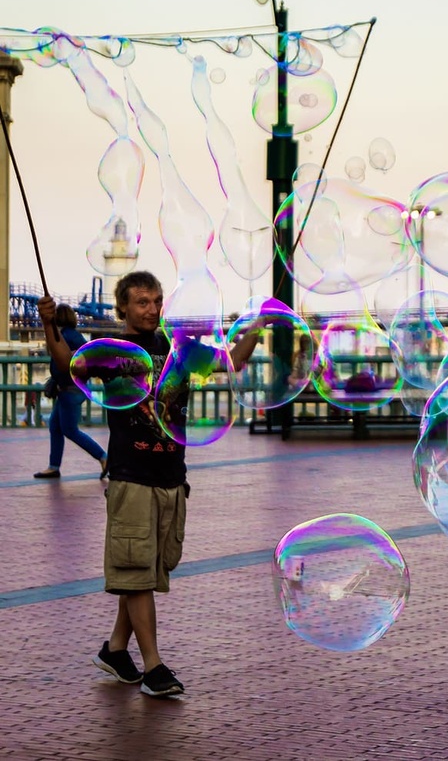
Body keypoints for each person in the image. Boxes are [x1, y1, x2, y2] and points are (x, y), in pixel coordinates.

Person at [37, 271, 260, 698]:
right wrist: (50, 324)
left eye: (157, 301)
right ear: (122, 307)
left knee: (145, 568)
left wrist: (256, 326)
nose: (153, 309)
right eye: (142, 302)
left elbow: (232, 360)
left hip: (172, 476)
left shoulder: (181, 349)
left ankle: (116, 649)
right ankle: (154, 665)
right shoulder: (111, 353)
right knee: (138, 573)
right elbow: (67, 362)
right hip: (131, 475)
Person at [33, 304, 107, 480]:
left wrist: (59, 379)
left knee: (70, 430)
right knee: (55, 426)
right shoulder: (73, 335)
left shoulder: (66, 336)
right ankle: (53, 466)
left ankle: (103, 457)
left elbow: (71, 361)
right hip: (69, 389)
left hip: (69, 389)